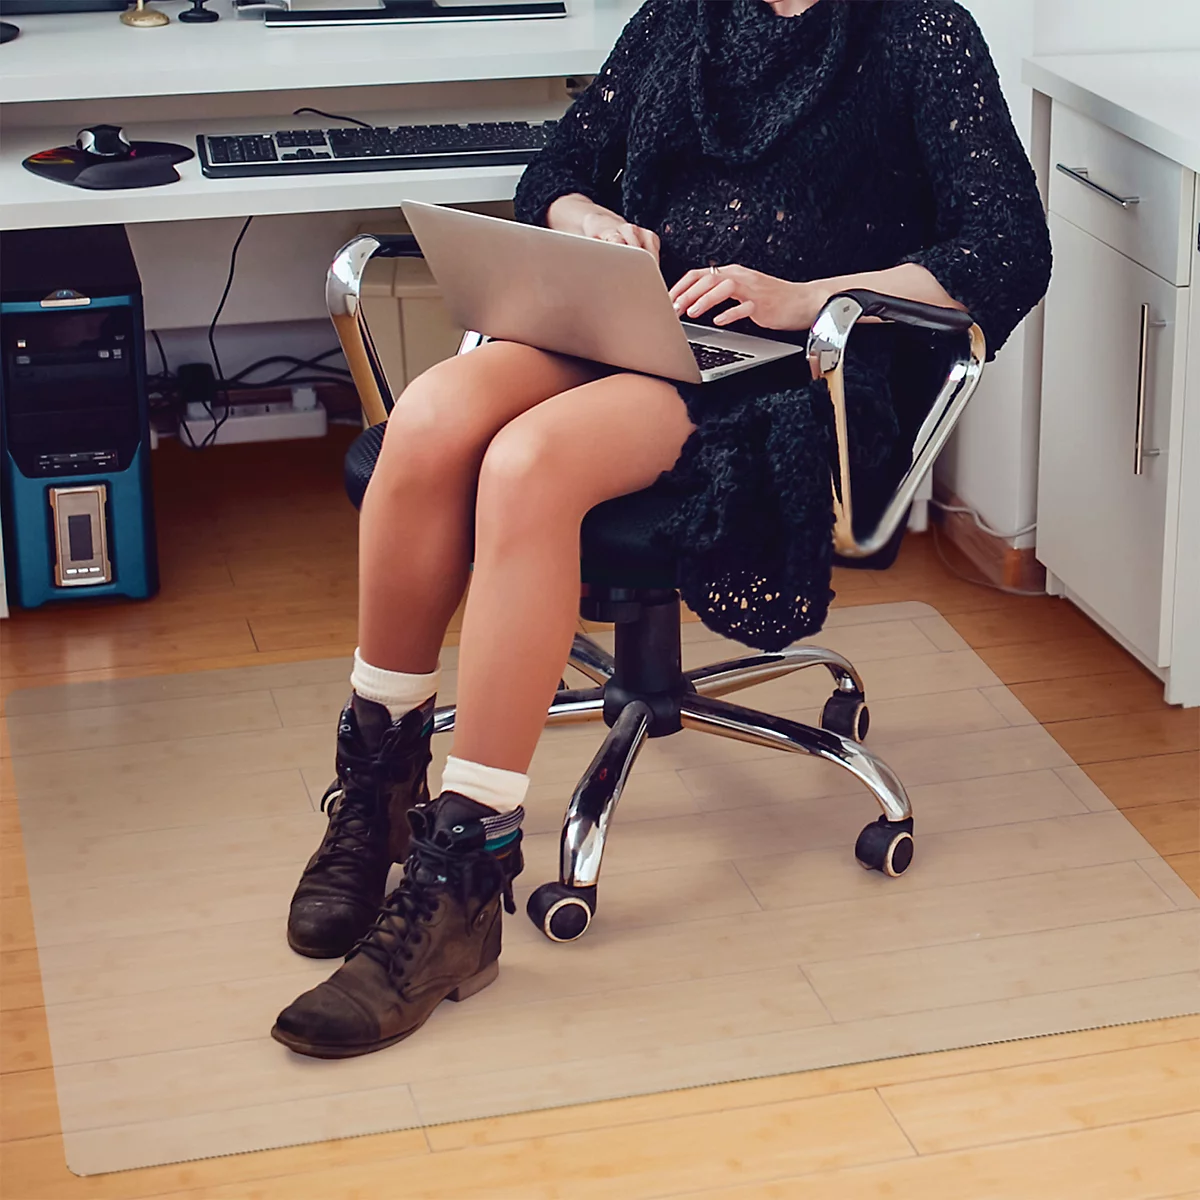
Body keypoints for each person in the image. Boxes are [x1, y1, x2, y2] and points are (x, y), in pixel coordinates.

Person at [271, 0, 1052, 1059]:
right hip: (625, 323)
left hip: (785, 375)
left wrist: (803, 296)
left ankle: (460, 880)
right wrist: (587, 220)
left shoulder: (920, 31)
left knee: (528, 462)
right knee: (430, 418)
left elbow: (1007, 247)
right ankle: (378, 784)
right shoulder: (682, 15)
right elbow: (558, 171)